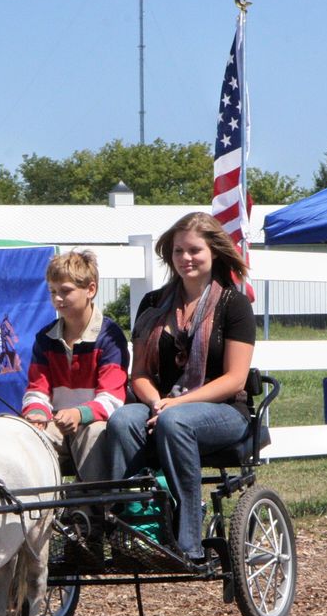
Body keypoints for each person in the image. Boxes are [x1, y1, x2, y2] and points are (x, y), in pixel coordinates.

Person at [106, 212, 255, 563]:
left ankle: (188, 542)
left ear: (214, 252)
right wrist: (159, 402)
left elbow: (234, 379)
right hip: (163, 406)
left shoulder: (234, 305)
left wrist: (179, 405)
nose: (185, 258)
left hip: (224, 411)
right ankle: (132, 530)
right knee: (122, 420)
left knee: (177, 423)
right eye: (177, 251)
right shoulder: (153, 304)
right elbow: (139, 373)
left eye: (194, 250)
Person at [21, 250, 130, 482]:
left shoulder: (110, 338)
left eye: (66, 291)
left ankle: (95, 510)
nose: (58, 298)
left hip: (96, 423)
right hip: (57, 423)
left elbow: (112, 399)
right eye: (53, 292)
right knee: (26, 436)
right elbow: (36, 390)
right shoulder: (45, 338)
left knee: (93, 434)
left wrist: (78, 413)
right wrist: (37, 413)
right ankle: (40, 509)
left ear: (90, 290)